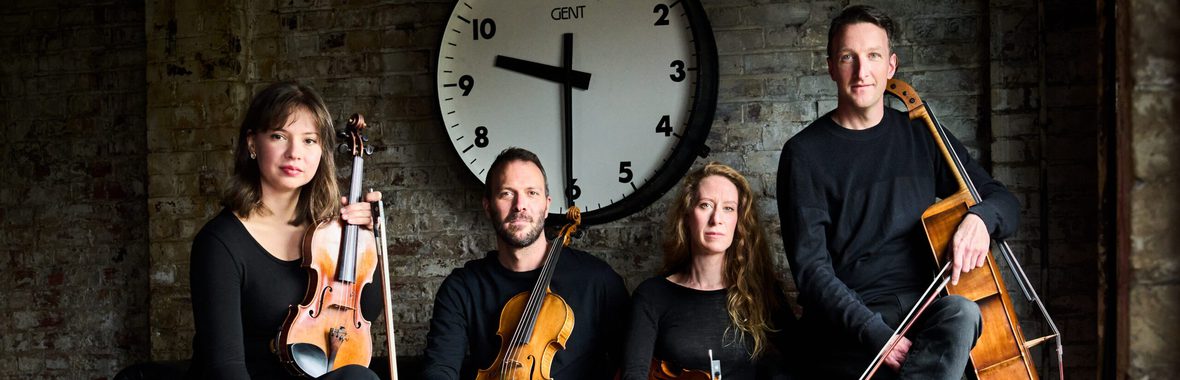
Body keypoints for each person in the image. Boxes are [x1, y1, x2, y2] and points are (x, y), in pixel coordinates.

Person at [776, 5, 1022, 379]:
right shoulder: (804, 154)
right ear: (830, 67)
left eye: (873, 56)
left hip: (925, 315)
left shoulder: (922, 134)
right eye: (848, 57)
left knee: (963, 313)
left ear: (890, 66)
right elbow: (811, 271)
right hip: (850, 325)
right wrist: (876, 335)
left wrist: (981, 219)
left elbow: (1002, 200)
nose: (862, 71)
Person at [189, 81, 383, 379]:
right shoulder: (219, 242)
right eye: (279, 136)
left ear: (321, 152)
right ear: (253, 144)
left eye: (309, 140)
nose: (295, 152)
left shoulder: (331, 237)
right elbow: (224, 368)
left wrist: (369, 241)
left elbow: (365, 317)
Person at [421, 147, 630, 380]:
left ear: (547, 205)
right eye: (507, 194)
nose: (520, 205)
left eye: (532, 193)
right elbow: (440, 368)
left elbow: (631, 367)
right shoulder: (462, 287)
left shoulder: (598, 281)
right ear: (488, 206)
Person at [622, 162, 796, 380]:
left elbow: (800, 363)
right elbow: (633, 375)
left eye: (728, 208)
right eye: (705, 205)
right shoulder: (652, 296)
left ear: (739, 221)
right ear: (687, 216)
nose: (716, 220)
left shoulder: (762, 291)